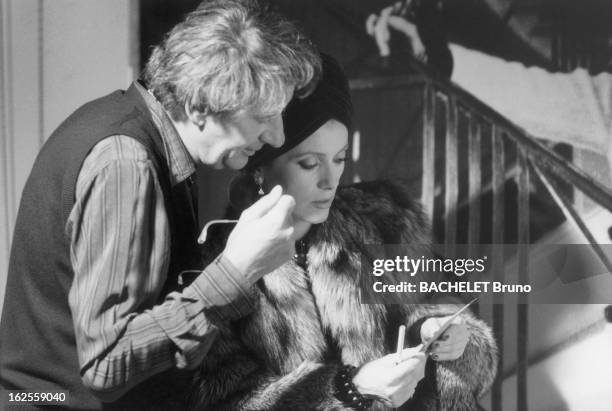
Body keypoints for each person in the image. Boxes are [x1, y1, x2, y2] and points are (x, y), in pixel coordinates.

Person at [0, 1, 322, 409]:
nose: (276, 136)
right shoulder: (125, 162)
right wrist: (237, 272)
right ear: (198, 107)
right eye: (264, 115)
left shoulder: (131, 131)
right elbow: (105, 364)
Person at [190, 54, 497, 411]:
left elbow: (440, 317)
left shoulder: (387, 223)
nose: (330, 181)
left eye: (339, 159)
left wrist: (441, 333)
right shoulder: (219, 264)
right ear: (260, 168)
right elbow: (228, 401)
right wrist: (349, 389)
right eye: (310, 163)